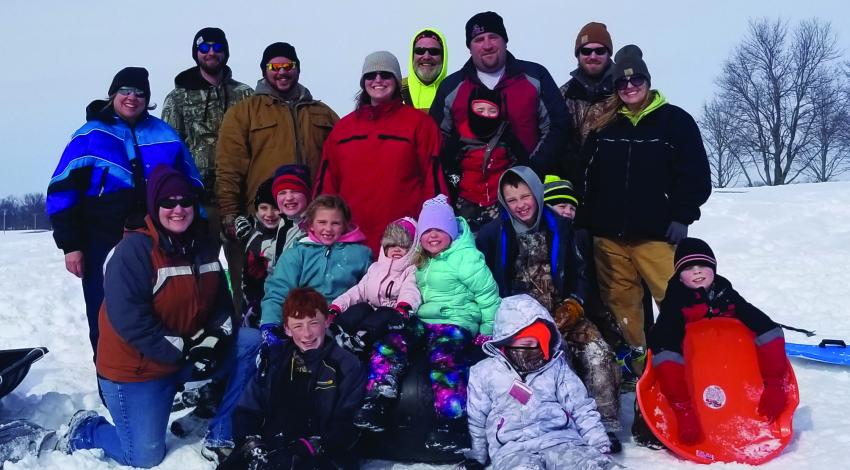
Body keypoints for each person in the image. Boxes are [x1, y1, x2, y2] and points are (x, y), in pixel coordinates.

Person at [54, 165, 233, 468]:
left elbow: (222, 305)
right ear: (154, 206)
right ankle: (87, 430)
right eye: (168, 203)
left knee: (250, 344)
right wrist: (187, 347)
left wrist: (215, 335)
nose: (178, 209)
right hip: (137, 369)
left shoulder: (203, 246)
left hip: (182, 355)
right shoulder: (132, 251)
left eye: (185, 202)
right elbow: (131, 321)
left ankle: (218, 421)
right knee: (142, 456)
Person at [46, 67, 203, 359]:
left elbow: (192, 184)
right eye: (125, 91)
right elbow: (61, 191)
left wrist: (198, 227)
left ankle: (162, 368)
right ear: (112, 94)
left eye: (140, 93)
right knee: (104, 310)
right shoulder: (90, 135)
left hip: (158, 238)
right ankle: (109, 373)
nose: (132, 98)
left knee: (162, 304)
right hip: (102, 239)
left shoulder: (164, 134)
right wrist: (71, 245)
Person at [476, 168, 622, 448]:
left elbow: (582, 274)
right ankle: (549, 426)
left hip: (562, 312)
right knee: (548, 363)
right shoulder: (493, 234)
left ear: (537, 193)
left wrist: (574, 303)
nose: (520, 204)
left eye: (525, 196)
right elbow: (485, 282)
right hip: (520, 321)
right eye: (512, 200)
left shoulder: (562, 228)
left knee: (597, 352)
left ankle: (604, 423)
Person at [581, 44, 711, 353]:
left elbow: (696, 176)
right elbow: (586, 177)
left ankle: (692, 354)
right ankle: (638, 363)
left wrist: (681, 215)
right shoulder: (604, 126)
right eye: (621, 82)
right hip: (609, 238)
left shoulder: (675, 121)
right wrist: (586, 219)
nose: (629, 86)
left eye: (636, 79)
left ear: (648, 81)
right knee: (621, 304)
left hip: (657, 234)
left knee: (677, 298)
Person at [197, 165, 314, 463]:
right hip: (263, 307)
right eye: (280, 195)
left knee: (259, 357)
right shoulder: (277, 228)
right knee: (248, 350)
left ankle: (239, 417)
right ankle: (219, 403)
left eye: (294, 192)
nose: (272, 212)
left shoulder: (305, 229)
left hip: (290, 312)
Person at [217, 42, 339, 310]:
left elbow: (342, 162)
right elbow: (229, 166)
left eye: (288, 66)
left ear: (297, 69)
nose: (282, 72)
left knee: (310, 291)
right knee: (256, 293)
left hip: (312, 222)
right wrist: (229, 213)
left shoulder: (322, 112)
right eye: (275, 66)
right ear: (264, 71)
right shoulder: (244, 112)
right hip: (264, 222)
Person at [645, 238, 789, 446]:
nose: (696, 271)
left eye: (702, 265)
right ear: (679, 277)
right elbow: (665, 349)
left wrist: (775, 385)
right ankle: (671, 415)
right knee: (665, 354)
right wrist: (684, 411)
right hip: (686, 373)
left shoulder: (725, 293)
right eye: (688, 268)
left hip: (725, 367)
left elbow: (768, 329)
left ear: (714, 269)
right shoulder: (675, 303)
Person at [219, 287, 366, 470]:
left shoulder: (347, 365)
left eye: (313, 323)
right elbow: (247, 409)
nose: (307, 333)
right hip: (270, 447)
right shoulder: (275, 358)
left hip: (319, 453)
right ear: (287, 329)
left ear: (327, 322)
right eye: (298, 326)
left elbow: (348, 424)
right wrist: (252, 444)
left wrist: (307, 449)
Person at [316, 51, 447, 255]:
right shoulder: (343, 129)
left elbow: (433, 182)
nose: (378, 80)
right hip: (350, 241)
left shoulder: (420, 124)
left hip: (402, 241)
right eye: (371, 75)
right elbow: (327, 185)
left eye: (385, 74)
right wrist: (321, 227)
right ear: (363, 82)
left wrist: (434, 228)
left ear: (396, 80)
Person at [462, 294, 614, 470]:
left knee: (588, 464)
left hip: (561, 440)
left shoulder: (556, 367)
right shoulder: (485, 372)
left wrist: (598, 443)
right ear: (508, 340)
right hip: (512, 449)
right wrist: (477, 457)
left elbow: (580, 407)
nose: (536, 352)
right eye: (527, 345)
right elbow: (477, 419)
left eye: (541, 345)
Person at [431, 11, 570, 182]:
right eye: (479, 40)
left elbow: (558, 126)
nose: (487, 45)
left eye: (493, 37)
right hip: (470, 191)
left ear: (505, 41)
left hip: (527, 188)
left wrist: (531, 171)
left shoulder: (535, 76)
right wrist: (455, 178)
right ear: (469, 48)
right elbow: (436, 138)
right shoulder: (451, 87)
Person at [413, 194, 500, 452]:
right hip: (425, 320)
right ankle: (380, 394)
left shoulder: (465, 258)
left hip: (456, 320)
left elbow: (488, 295)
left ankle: (452, 423)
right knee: (391, 340)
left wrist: (487, 331)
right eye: (427, 231)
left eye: (439, 229)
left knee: (443, 357)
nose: (432, 235)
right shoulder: (422, 260)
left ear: (451, 231)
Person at [161, 27, 253, 260]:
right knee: (202, 266)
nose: (211, 52)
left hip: (240, 200)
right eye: (204, 47)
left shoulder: (245, 95)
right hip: (199, 201)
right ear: (196, 53)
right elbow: (170, 150)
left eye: (217, 47)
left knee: (247, 270)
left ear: (226, 52)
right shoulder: (178, 97)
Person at [328, 217, 421, 432]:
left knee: (383, 314)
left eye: (403, 246)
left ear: (412, 248)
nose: (396, 250)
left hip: (394, 316)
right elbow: (358, 291)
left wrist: (404, 306)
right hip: (372, 311)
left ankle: (362, 338)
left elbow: (411, 290)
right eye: (391, 245)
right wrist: (336, 307)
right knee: (360, 307)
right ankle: (340, 333)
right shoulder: (375, 268)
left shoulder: (411, 270)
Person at [260, 195, 372, 341]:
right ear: (311, 225)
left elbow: (371, 289)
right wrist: (270, 323)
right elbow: (278, 290)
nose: (328, 229)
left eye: (335, 223)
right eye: (322, 222)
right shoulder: (297, 254)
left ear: (345, 225)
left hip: (344, 321)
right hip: (305, 319)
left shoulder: (361, 255)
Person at [452, 86, 529, 232]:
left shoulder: (506, 135)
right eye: (480, 110)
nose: (485, 115)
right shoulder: (459, 136)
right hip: (466, 202)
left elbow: (521, 165)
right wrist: (456, 186)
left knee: (499, 238)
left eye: (492, 111)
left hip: (498, 201)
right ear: (471, 109)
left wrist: (512, 187)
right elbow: (449, 166)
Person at [559, 22, 615, 182]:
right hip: (574, 182)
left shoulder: (625, 90)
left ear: (608, 54)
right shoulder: (563, 94)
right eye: (586, 51)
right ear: (578, 55)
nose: (593, 56)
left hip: (614, 179)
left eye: (600, 51)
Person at [401, 28, 449, 110]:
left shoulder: (455, 91)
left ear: (443, 57)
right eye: (420, 51)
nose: (426, 57)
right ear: (412, 56)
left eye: (434, 51)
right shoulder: (395, 91)